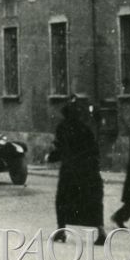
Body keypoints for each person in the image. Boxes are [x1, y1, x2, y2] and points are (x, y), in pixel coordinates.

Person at [48, 97, 105, 244]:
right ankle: (101, 232)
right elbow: (94, 149)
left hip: (70, 172)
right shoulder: (85, 128)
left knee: (63, 200)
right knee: (92, 201)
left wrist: (50, 157)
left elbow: (61, 149)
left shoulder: (63, 128)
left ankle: (61, 231)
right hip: (88, 171)